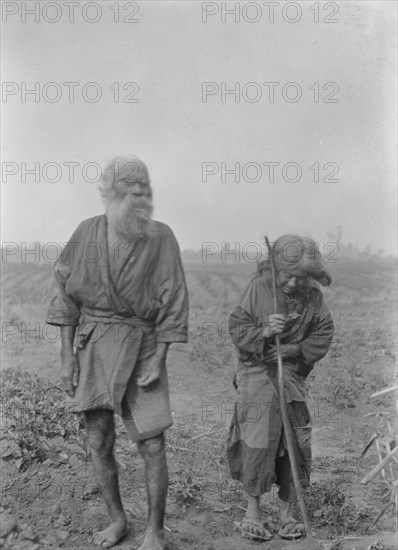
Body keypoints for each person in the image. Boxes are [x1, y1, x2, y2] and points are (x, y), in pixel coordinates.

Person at [46, 154, 189, 550]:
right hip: (93, 344)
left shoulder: (161, 237)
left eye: (146, 189)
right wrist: (66, 356)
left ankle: (155, 531)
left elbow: (173, 300)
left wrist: (160, 357)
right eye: (132, 190)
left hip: (143, 345)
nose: (142, 195)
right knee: (97, 438)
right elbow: (64, 294)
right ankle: (118, 520)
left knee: (153, 442)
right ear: (110, 194)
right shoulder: (86, 233)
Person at [227, 234, 334, 541]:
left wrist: (295, 349)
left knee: (294, 441)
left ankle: (287, 513)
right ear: (274, 268)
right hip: (257, 371)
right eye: (287, 275)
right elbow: (236, 328)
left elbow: (325, 331)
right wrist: (263, 331)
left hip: (289, 376)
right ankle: (253, 511)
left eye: (301, 278)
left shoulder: (313, 298)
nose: (292, 284)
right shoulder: (258, 288)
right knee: (258, 438)